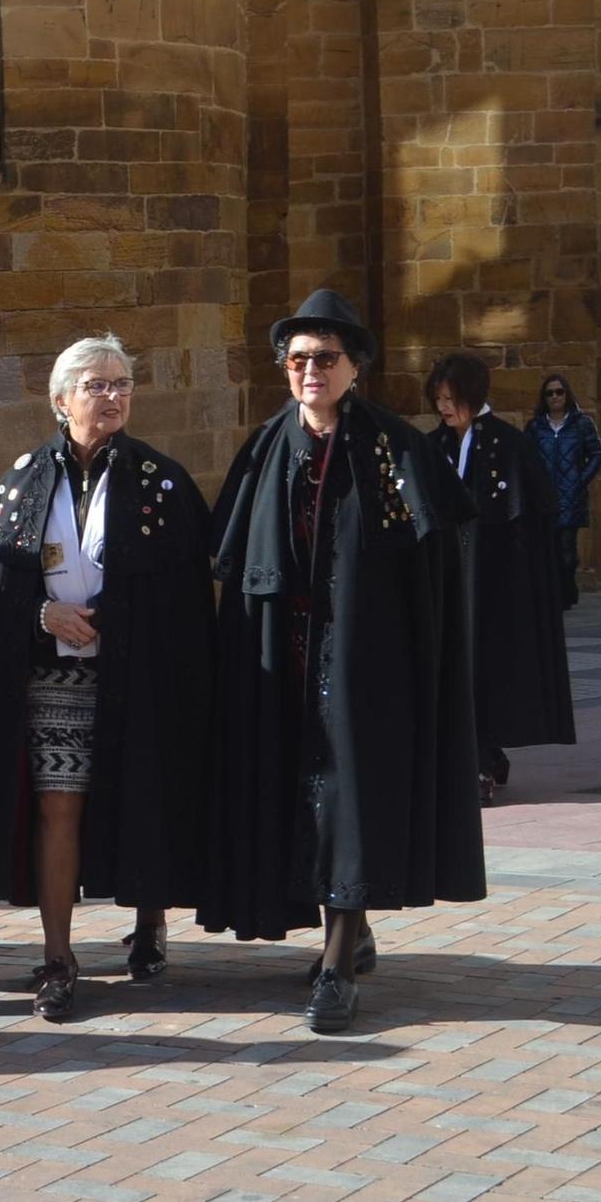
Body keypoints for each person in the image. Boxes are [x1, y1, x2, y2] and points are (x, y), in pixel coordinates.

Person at [204, 290, 484, 1033]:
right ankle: (349, 933)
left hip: (366, 661)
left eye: (325, 358)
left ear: (356, 366)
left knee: (351, 802)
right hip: (286, 659)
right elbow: (237, 559)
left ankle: (334, 964)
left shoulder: (397, 448)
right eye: (297, 359)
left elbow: (434, 566)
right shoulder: (266, 448)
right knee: (305, 798)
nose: (309, 371)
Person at [0, 335, 213, 1021]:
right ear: (62, 400)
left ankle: (149, 921)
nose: (112, 395)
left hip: (138, 673)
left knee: (144, 792)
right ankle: (59, 956)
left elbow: (183, 596)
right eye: (96, 385)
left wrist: (117, 615)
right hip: (53, 677)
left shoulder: (162, 481)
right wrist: (42, 613)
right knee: (58, 807)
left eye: (121, 384)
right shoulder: (23, 479)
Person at [426, 354, 575, 803]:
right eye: (438, 400)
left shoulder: (510, 444)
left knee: (486, 669)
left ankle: (483, 758)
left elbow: (532, 518)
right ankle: (478, 754)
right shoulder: (435, 446)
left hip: (495, 586)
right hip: (448, 580)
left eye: (451, 400)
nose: (444, 409)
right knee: (454, 669)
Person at [524, 374, 601, 609]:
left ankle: (567, 589)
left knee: (567, 552)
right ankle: (557, 593)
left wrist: (581, 479)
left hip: (571, 495)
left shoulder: (581, 423)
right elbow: (525, 457)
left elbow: (597, 454)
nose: (555, 397)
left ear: (567, 394)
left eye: (559, 392)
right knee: (549, 549)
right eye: (550, 393)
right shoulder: (536, 426)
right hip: (544, 496)